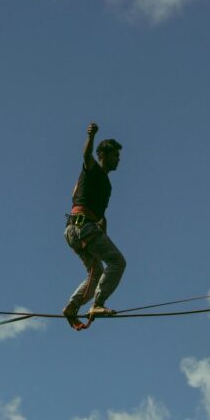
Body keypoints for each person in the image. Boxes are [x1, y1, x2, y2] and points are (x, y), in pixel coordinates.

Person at [62, 123, 126, 331]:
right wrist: (91, 136)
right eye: (115, 155)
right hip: (83, 228)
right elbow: (86, 155)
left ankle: (72, 307)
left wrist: (103, 235)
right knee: (117, 262)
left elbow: (101, 217)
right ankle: (97, 304)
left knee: (96, 272)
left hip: (75, 230)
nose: (119, 159)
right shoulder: (92, 169)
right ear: (104, 155)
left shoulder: (107, 185)